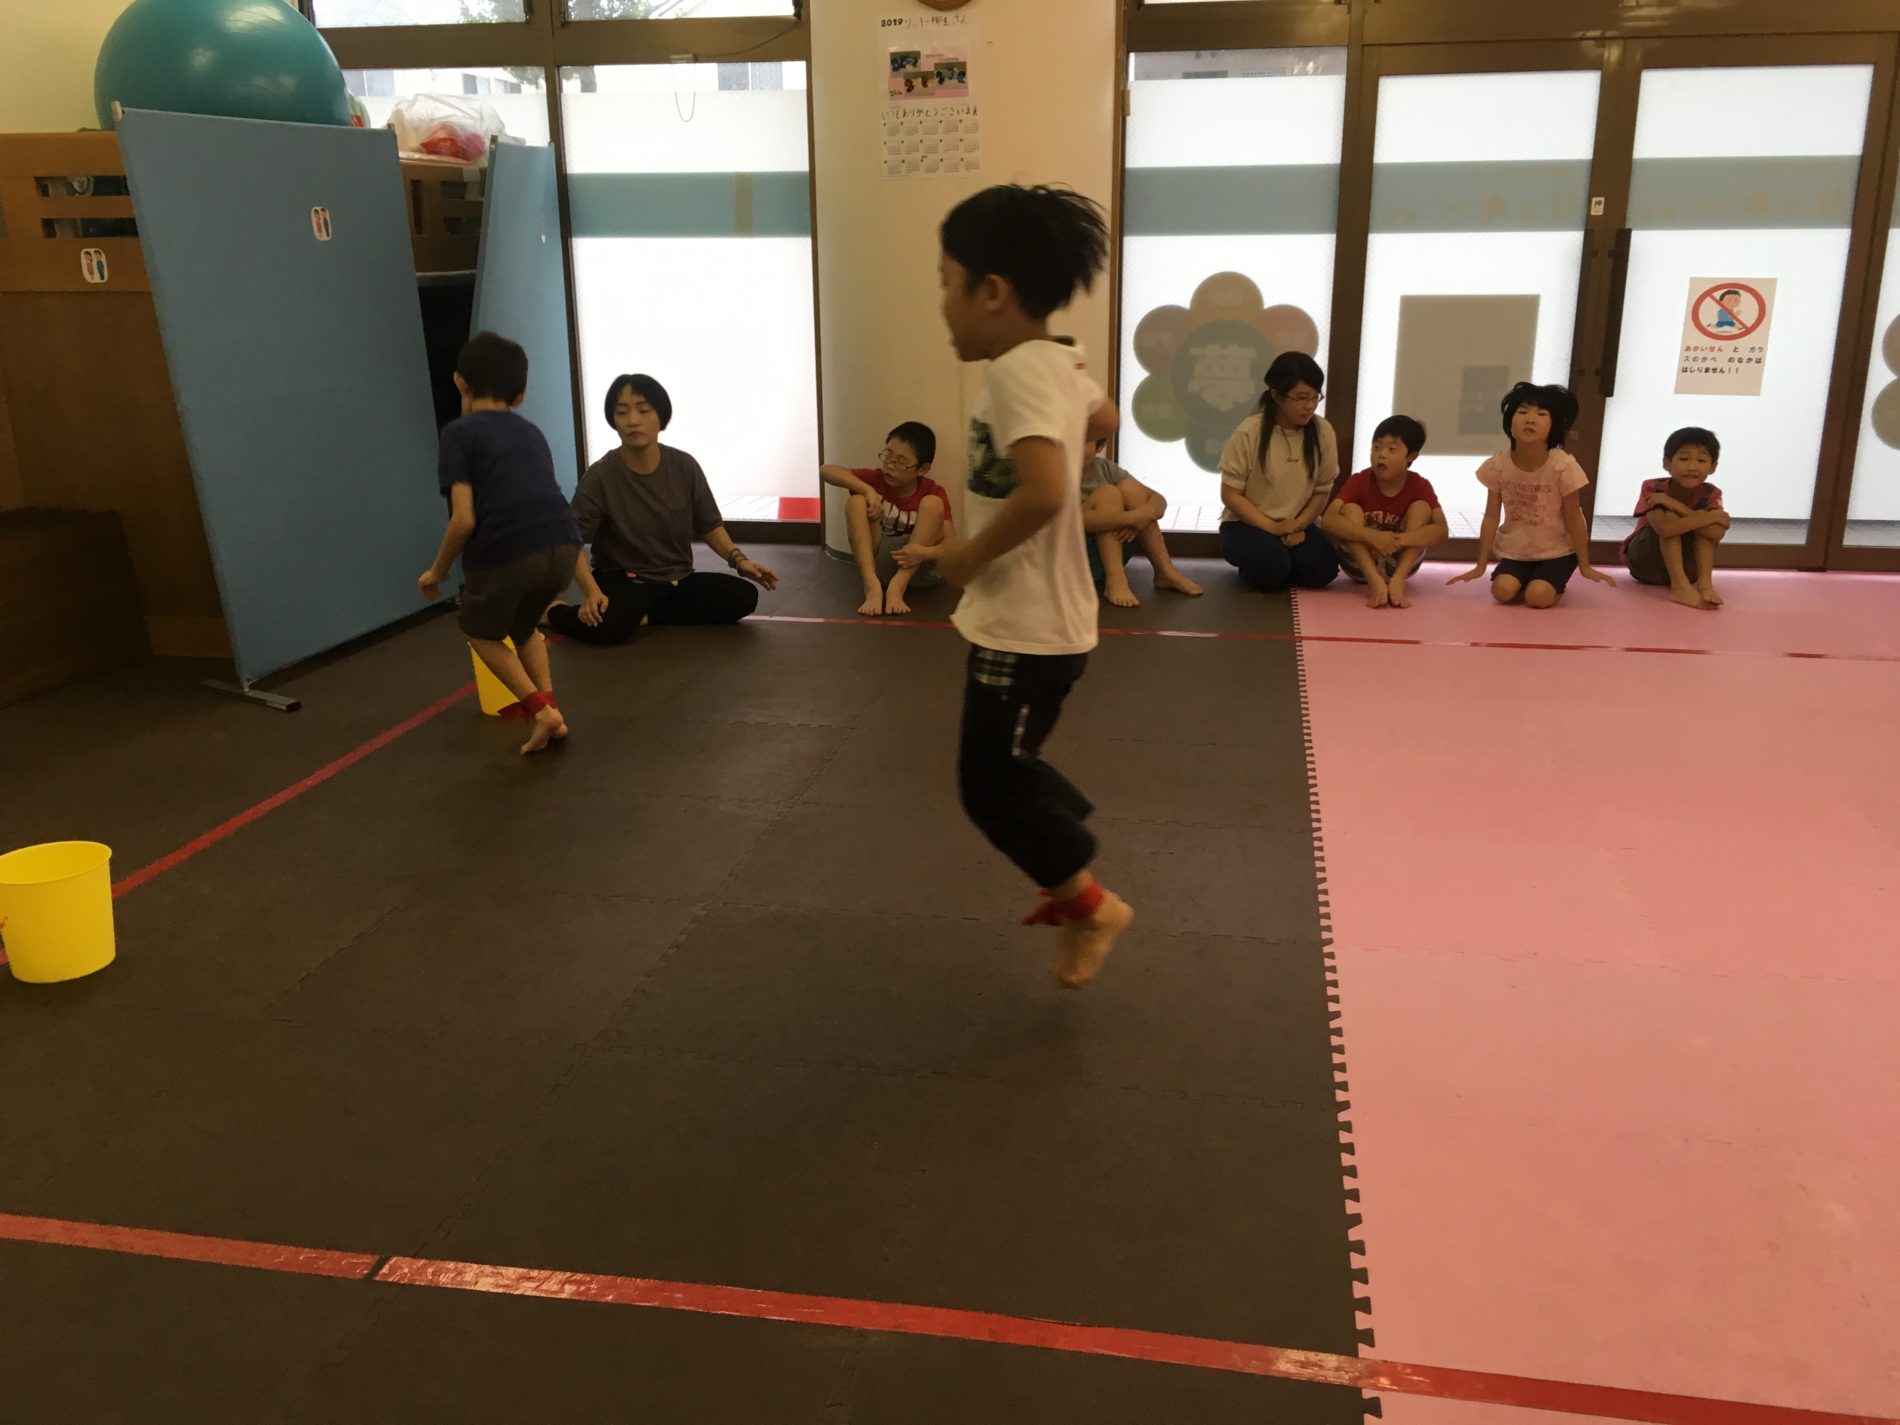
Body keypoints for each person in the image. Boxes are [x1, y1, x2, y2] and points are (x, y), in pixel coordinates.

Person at [898, 183, 1132, 989]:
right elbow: (1104, 418)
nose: (942, 303)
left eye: (946, 283)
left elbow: (1045, 492)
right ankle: (1062, 837)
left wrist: (965, 557)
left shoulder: (1014, 374)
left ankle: (1091, 903)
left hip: (1027, 626)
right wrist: (1078, 432)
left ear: (991, 291)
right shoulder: (1059, 358)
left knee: (989, 788)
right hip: (1037, 622)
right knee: (1003, 770)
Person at [417, 331, 593, 755]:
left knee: (479, 633)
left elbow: (463, 519)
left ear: (460, 382)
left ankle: (540, 710)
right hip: (564, 545)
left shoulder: (458, 434)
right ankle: (552, 712)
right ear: (521, 393)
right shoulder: (531, 433)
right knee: (524, 628)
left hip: (510, 552)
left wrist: (437, 571)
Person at [543, 374, 777, 644]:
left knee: (743, 597)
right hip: (624, 579)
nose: (632, 420)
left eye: (643, 410)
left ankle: (641, 615)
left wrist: (739, 560)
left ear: (660, 417)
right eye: (622, 412)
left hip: (676, 579)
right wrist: (592, 592)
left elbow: (709, 525)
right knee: (608, 626)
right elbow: (571, 540)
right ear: (614, 421)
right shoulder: (600, 476)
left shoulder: (684, 466)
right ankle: (553, 613)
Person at [1451, 382, 1617, 606]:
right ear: (1510, 422)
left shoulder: (1562, 466)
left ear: (1555, 425)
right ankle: (1528, 578)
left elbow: (1574, 517)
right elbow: (1491, 517)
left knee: (1537, 597)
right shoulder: (1498, 465)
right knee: (1502, 592)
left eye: (1541, 414)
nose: (1530, 419)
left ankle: (1548, 582)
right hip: (1516, 550)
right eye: (1522, 412)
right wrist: (1480, 565)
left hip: (1557, 551)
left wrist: (1585, 565)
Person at [1217, 352, 1341, 592]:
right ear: (1276, 395)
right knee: (1271, 569)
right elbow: (1230, 495)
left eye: (1315, 397)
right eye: (1301, 398)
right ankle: (1272, 562)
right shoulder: (1249, 432)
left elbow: (1322, 491)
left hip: (1296, 523)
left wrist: (1298, 526)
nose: (1310, 406)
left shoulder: (1322, 431)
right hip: (1246, 524)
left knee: (1324, 571)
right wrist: (1273, 528)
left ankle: (1280, 560)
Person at [819, 421, 951, 617]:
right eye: (888, 456)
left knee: (933, 504)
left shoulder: (933, 490)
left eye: (900, 461)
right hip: (881, 565)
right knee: (856, 502)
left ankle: (898, 586)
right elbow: (826, 470)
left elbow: (951, 545)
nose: (889, 465)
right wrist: (868, 490)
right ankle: (871, 585)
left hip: (919, 570)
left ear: (922, 469)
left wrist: (924, 552)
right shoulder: (876, 479)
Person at [1320, 414, 1447, 609]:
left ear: (1411, 456)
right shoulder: (1360, 480)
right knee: (1350, 509)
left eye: (1391, 449)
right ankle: (1374, 581)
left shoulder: (1420, 485)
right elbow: (1328, 519)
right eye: (1376, 447)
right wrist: (1373, 537)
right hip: (1359, 566)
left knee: (1422, 508)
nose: (1381, 455)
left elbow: (1441, 529)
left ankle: (1397, 582)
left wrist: (1398, 540)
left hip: (1400, 564)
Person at [1081, 440, 1203, 607]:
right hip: (1074, 560)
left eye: (1082, 441)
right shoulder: (1055, 473)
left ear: (1099, 446)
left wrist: (1143, 515)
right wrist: (1131, 518)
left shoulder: (1105, 468)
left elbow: (1158, 500)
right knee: (1107, 494)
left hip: (1111, 551)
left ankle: (1165, 570)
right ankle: (1116, 580)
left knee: (1132, 489)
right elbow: (1067, 522)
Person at [1624, 426, 1730, 609]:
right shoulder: (1653, 487)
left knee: (1701, 528)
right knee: (1672, 518)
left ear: (1713, 467)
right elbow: (1665, 529)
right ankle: (1679, 587)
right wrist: (1712, 517)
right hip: (1645, 564)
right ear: (1667, 464)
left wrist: (1675, 505)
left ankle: (1705, 584)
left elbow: (1715, 534)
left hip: (1690, 571)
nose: (1692, 467)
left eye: (1701, 460)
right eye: (1683, 459)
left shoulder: (1711, 493)